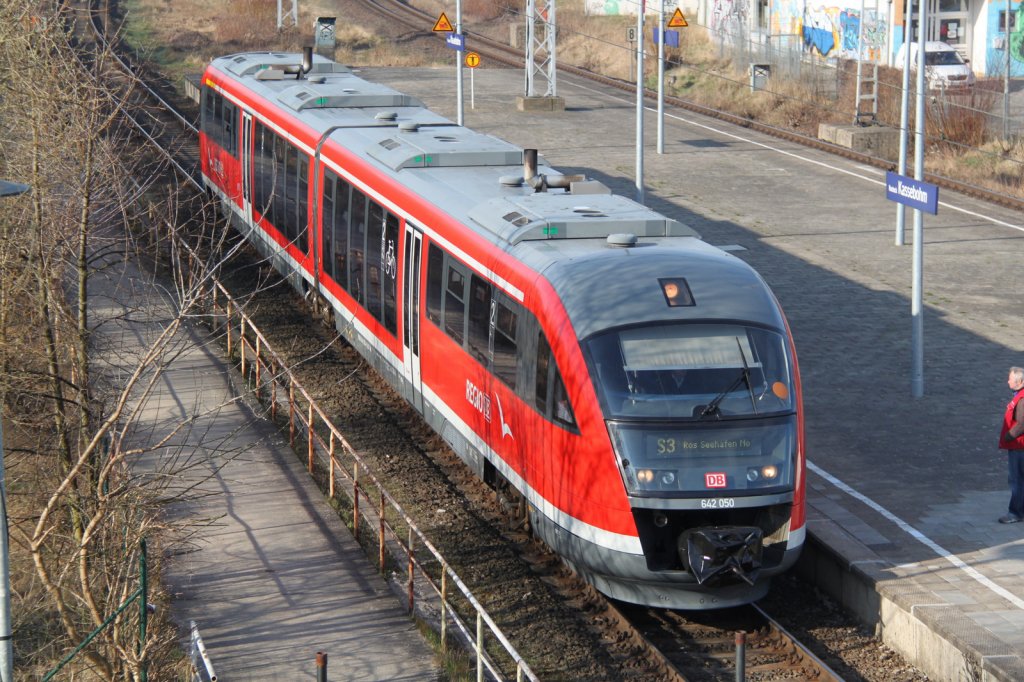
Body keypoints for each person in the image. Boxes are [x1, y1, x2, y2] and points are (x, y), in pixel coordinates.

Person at [998, 366, 1024, 523]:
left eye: (1010, 379)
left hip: (1019, 447)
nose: (1008, 381)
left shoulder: (1021, 400)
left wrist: (1008, 436)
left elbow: (1021, 424)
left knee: (1016, 480)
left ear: (1020, 381)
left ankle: (1015, 513)